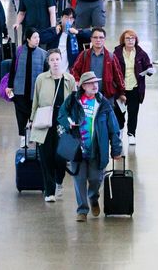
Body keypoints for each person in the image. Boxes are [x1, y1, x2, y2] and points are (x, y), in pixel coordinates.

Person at [57, 71, 123, 222]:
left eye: (96, 83)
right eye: (91, 83)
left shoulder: (104, 103)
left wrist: (116, 149)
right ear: (83, 86)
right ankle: (82, 210)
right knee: (79, 181)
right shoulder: (73, 100)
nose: (95, 86)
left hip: (97, 150)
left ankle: (93, 197)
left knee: (95, 179)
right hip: (76, 149)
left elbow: (114, 128)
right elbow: (61, 115)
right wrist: (69, 123)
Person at [29, 49, 77, 202]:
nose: (55, 62)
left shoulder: (69, 79)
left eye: (57, 59)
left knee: (61, 156)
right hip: (45, 120)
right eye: (52, 60)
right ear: (48, 62)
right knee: (46, 155)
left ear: (62, 60)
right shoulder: (41, 79)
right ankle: (49, 191)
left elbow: (75, 102)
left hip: (63, 121)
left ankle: (59, 180)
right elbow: (35, 100)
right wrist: (31, 120)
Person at [6, 28, 48, 147]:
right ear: (28, 39)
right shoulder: (19, 51)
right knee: (20, 114)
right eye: (35, 37)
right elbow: (13, 69)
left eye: (38, 37)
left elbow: (45, 74)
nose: (37, 40)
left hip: (34, 91)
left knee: (33, 113)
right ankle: (23, 137)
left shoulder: (42, 54)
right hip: (20, 89)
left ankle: (32, 134)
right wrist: (10, 86)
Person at [113, 29, 153, 145]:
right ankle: (119, 132)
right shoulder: (117, 53)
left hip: (135, 88)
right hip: (121, 89)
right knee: (119, 113)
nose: (130, 41)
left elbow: (148, 66)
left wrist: (149, 70)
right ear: (123, 40)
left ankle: (131, 134)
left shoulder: (141, 53)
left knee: (133, 112)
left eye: (132, 38)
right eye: (128, 38)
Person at [70, 27, 126, 105]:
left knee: (106, 117)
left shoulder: (111, 57)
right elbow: (74, 70)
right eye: (95, 37)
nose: (98, 40)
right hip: (87, 96)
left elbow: (118, 76)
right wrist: (79, 83)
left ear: (104, 39)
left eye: (101, 37)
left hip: (106, 97)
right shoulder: (84, 54)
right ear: (91, 39)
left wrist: (122, 93)